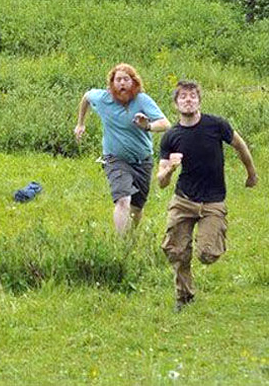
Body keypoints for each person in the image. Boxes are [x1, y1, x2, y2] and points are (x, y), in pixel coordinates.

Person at [157, 81, 258, 312]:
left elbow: (240, 146)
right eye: (183, 96)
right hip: (183, 200)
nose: (188, 99)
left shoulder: (216, 125)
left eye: (192, 96)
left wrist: (251, 173)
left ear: (199, 101)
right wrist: (170, 170)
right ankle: (184, 297)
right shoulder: (171, 136)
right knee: (176, 251)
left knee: (207, 254)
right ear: (176, 103)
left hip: (213, 200)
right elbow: (161, 181)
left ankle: (214, 234)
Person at [74, 63, 170, 234]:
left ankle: (129, 240)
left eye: (126, 79)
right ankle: (120, 245)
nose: (122, 83)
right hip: (114, 158)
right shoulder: (103, 99)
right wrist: (80, 124)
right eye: (118, 80)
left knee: (136, 208)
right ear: (112, 83)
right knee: (123, 199)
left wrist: (147, 125)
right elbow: (87, 97)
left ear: (134, 82)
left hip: (142, 161)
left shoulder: (142, 100)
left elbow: (165, 124)